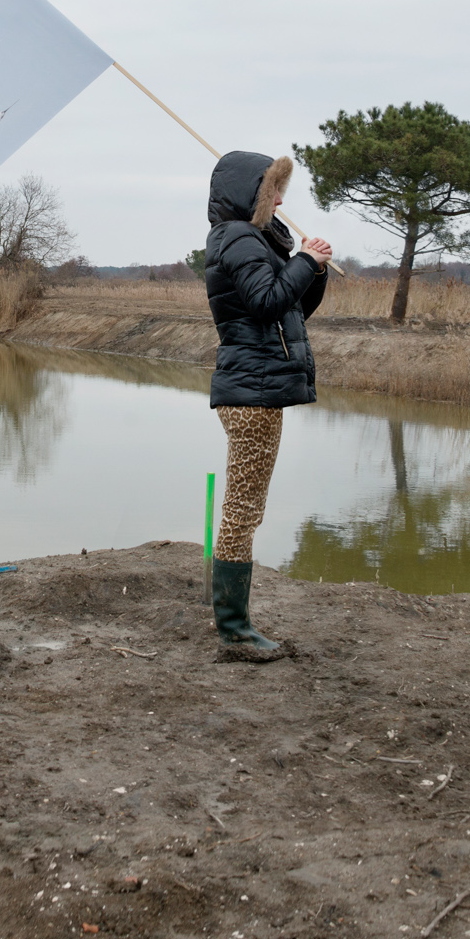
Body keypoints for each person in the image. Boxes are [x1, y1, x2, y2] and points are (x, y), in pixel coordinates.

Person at [202, 150, 333, 654]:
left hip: (256, 388)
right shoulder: (236, 237)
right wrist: (303, 261)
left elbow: (290, 307)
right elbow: (264, 301)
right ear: (248, 195)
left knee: (246, 506)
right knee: (242, 507)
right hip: (251, 392)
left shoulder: (250, 239)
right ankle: (235, 630)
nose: (280, 199)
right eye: (271, 190)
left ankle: (235, 623)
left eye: (281, 190)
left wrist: (312, 270)